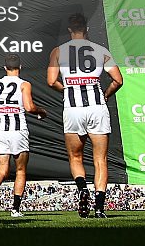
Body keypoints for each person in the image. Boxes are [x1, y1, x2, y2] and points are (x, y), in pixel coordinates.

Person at [46, 12, 123, 219]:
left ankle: (82, 189)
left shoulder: (58, 51)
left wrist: (68, 89)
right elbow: (118, 80)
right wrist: (106, 94)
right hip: (97, 107)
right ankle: (99, 207)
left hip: (73, 108)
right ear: (86, 29)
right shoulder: (101, 50)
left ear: (70, 30)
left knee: (75, 156)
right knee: (100, 160)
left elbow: (51, 80)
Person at [0, 53, 48, 218]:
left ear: (5, 68)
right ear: (20, 67)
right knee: (20, 170)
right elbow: (29, 107)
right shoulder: (24, 84)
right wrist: (41, 111)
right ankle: (15, 209)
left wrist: (3, 109)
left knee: (2, 170)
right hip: (17, 131)